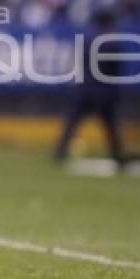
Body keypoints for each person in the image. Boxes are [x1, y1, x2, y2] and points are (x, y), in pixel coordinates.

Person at [53, 10, 125, 167]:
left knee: (72, 123)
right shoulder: (112, 42)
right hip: (104, 90)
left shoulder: (86, 39)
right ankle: (117, 155)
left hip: (84, 88)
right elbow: (115, 70)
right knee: (110, 126)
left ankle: (59, 152)